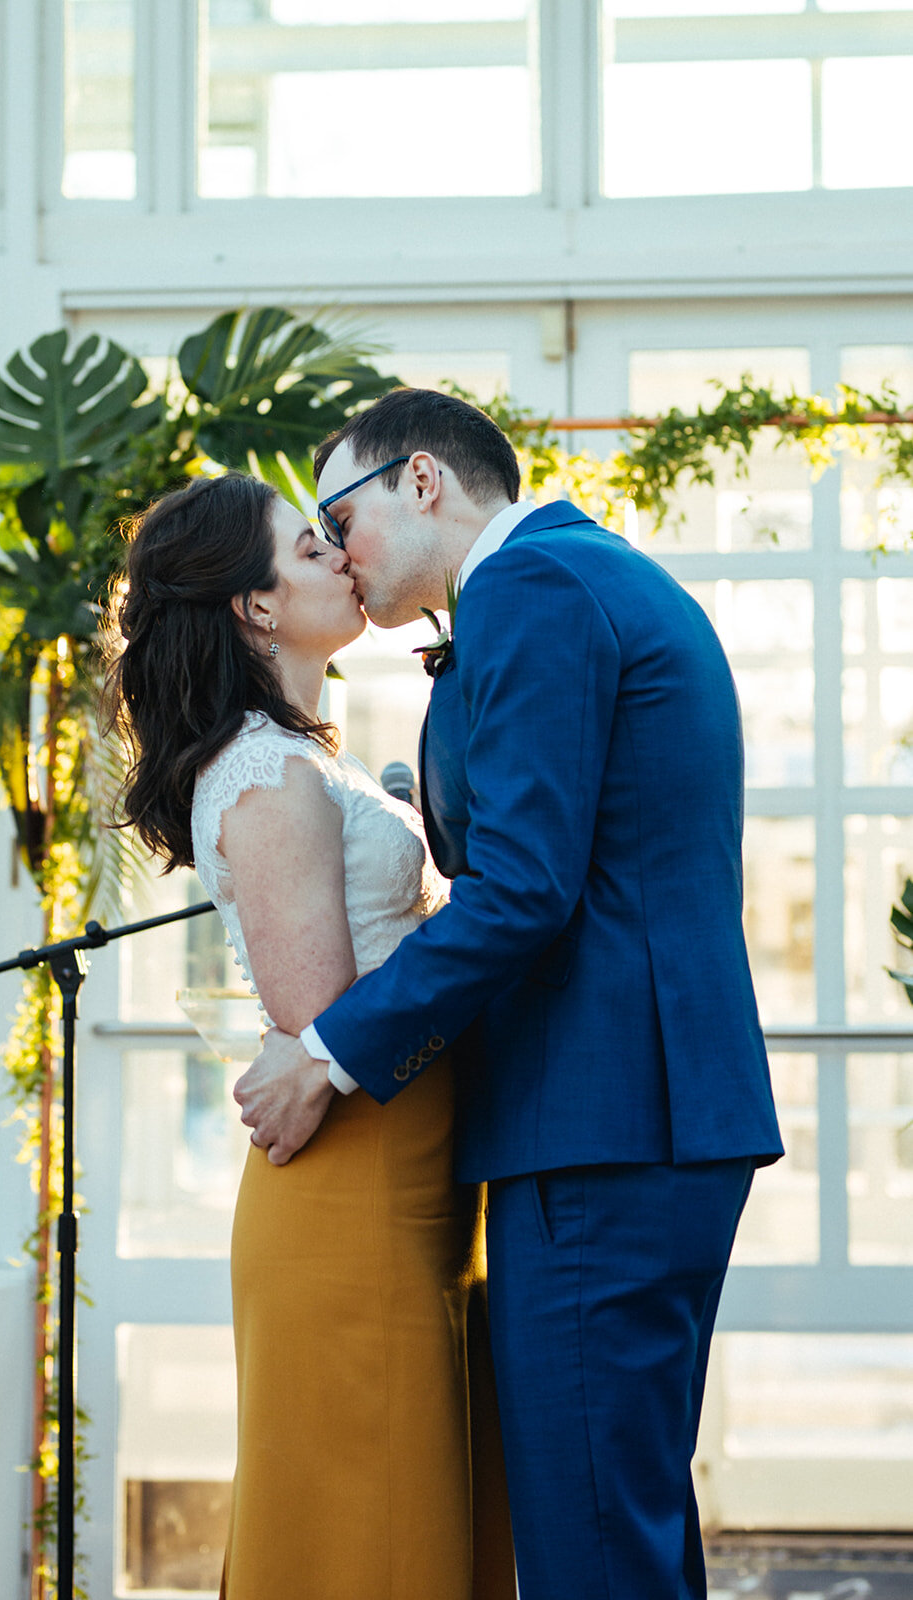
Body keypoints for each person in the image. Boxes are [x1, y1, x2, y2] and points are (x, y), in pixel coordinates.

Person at [234, 388, 786, 1600]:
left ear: (420, 481)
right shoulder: (575, 578)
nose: (336, 550)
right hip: (634, 1114)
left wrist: (325, 1049)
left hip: (598, 1121)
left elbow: (525, 889)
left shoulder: (533, 592)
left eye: (342, 515)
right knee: (619, 1517)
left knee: (589, 1541)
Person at [103, 470, 515, 1600]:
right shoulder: (267, 773)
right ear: (255, 606)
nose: (341, 552)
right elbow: (319, 1013)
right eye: (307, 545)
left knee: (402, 1502)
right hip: (354, 1181)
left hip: (403, 1165)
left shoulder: (297, 755)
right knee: (365, 1524)